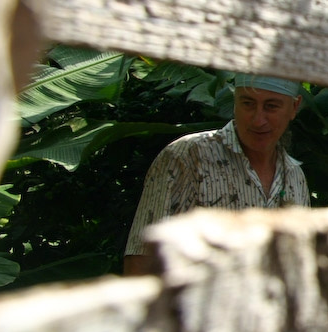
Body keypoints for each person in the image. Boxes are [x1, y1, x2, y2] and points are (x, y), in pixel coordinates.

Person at [123, 73, 310, 275]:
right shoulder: (188, 157)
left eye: (271, 106)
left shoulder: (295, 177)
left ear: (294, 107)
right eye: (247, 104)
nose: (258, 120)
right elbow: (141, 260)